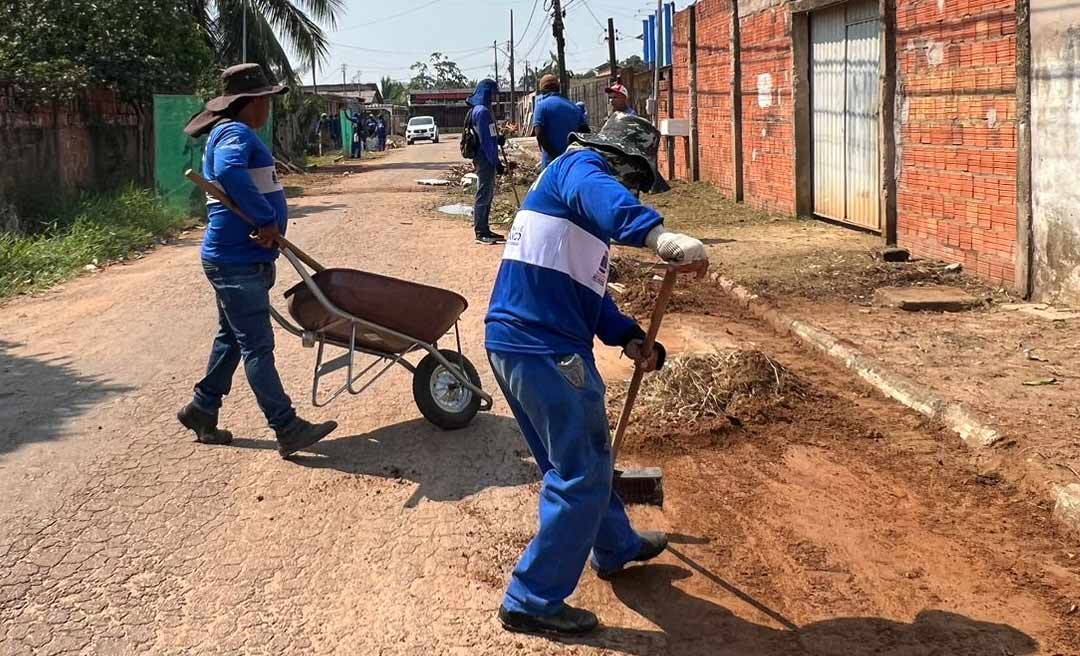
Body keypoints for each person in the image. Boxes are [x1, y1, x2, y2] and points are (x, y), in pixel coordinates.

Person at [485, 112, 709, 636]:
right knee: (582, 471)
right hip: (543, 348)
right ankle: (531, 599)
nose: (630, 186)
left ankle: (614, 545)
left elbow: (588, 292)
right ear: (619, 161)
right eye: (633, 177)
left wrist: (628, 335)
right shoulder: (578, 167)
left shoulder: (573, 217)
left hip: (522, 342)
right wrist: (656, 235)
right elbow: (601, 193)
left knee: (580, 461)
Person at [179, 64, 338, 458]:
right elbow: (232, 171)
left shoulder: (230, 132)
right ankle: (286, 427)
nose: (269, 106)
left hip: (237, 258)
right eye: (266, 98)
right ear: (248, 102)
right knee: (256, 345)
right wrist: (266, 219)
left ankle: (202, 408)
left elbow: (240, 176)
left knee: (232, 337)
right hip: (236, 262)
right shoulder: (234, 132)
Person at [466, 79, 506, 245]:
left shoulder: (482, 110)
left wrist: (498, 139)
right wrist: (496, 162)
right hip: (485, 158)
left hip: (486, 157)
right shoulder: (482, 112)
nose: (494, 98)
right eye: (492, 94)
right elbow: (485, 142)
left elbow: (490, 136)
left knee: (487, 193)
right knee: (483, 193)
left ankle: (485, 228)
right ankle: (481, 231)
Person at [532, 74, 590, 169]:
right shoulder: (573, 107)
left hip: (551, 165)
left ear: (542, 89)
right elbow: (586, 134)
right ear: (558, 88)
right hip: (572, 163)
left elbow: (539, 134)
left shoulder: (541, 107)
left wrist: (557, 157)